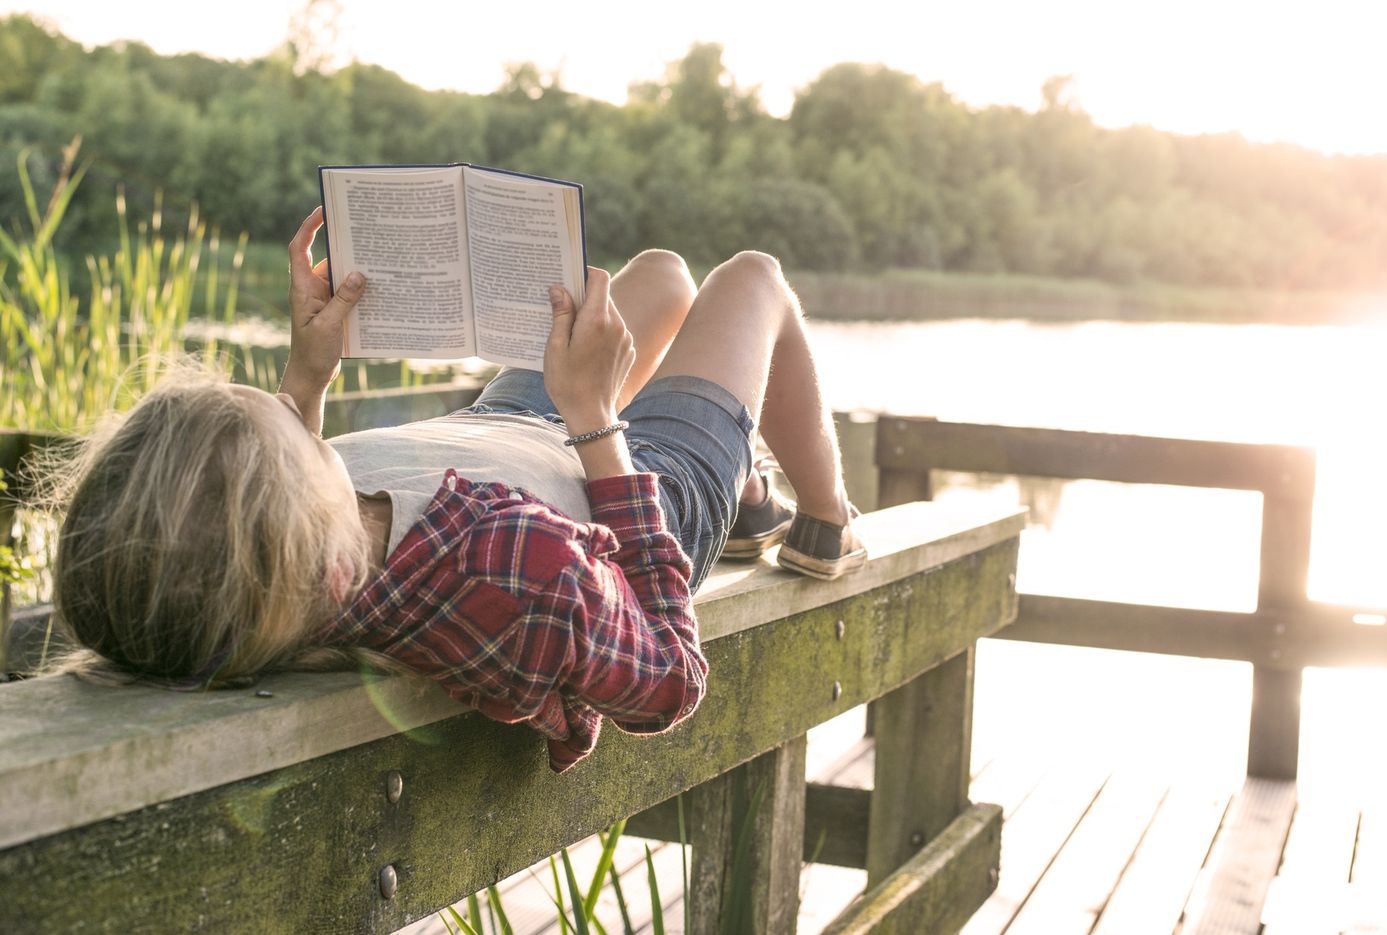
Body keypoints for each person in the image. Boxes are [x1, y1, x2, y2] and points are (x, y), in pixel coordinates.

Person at [47, 207, 865, 771]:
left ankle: (750, 482)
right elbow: (669, 677)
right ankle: (822, 518)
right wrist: (592, 416)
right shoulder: (511, 571)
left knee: (656, 277)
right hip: (624, 476)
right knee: (752, 278)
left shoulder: (287, 563)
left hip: (503, 430)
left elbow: (271, 513)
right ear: (332, 563)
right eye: (297, 432)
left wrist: (309, 375)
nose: (302, 425)